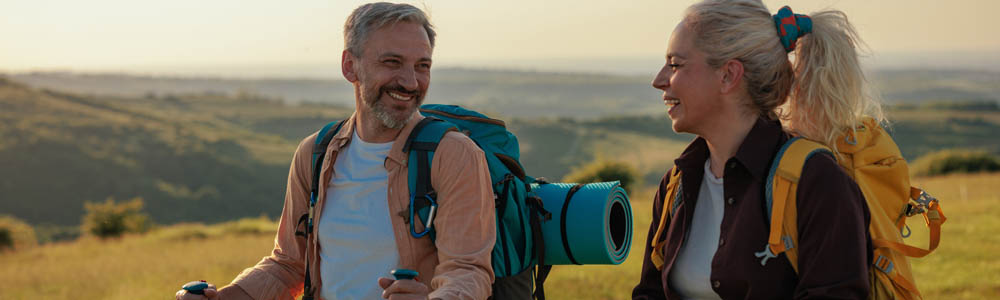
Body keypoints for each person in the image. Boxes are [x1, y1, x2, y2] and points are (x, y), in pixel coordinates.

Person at [175, 2, 496, 300]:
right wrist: (225, 297)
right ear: (349, 66)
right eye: (392, 62)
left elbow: (467, 271)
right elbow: (288, 264)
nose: (411, 82)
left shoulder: (454, 155)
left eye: (422, 65)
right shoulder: (314, 154)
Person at [633, 0, 877, 298]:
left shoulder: (818, 183)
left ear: (728, 75)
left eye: (675, 65)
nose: (659, 80)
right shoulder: (677, 183)